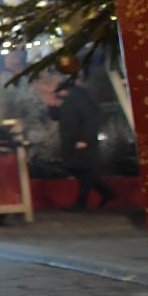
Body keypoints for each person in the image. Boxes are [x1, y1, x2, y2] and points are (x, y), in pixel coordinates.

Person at [52, 81, 115, 211]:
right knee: (82, 172)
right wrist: (53, 107)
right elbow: (59, 117)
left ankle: (82, 203)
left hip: (81, 142)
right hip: (72, 141)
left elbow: (91, 120)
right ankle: (105, 193)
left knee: (84, 172)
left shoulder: (80, 99)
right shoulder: (70, 100)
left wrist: (85, 139)